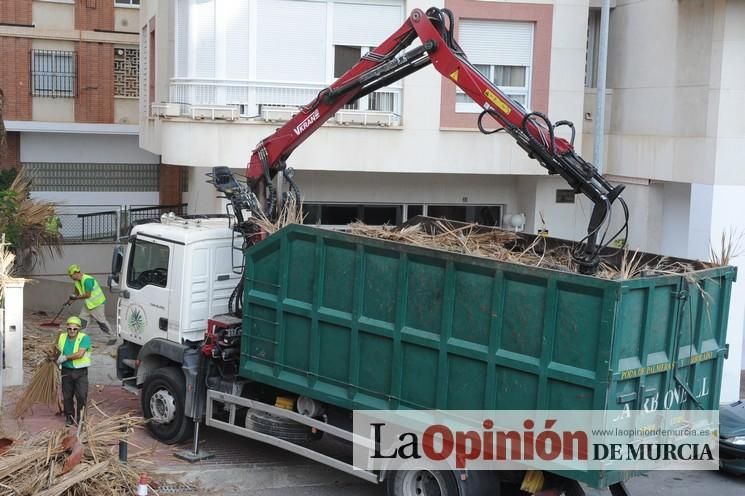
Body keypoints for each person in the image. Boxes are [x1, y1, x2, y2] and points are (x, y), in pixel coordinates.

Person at [67, 264, 116, 346]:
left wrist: (76, 298)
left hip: (97, 304)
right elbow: (76, 293)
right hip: (88, 304)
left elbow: (87, 295)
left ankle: (112, 337)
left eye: (71, 275)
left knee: (101, 322)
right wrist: (69, 301)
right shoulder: (76, 281)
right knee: (82, 320)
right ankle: (80, 338)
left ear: (76, 273)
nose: (71, 277)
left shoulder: (87, 280)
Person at [56, 316, 91, 426]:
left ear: (79, 329)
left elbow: (80, 354)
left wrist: (65, 357)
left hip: (80, 372)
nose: (72, 331)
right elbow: (55, 349)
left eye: (75, 329)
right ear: (67, 328)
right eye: (70, 328)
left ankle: (81, 420)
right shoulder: (62, 337)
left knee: (81, 395)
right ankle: (69, 417)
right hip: (66, 371)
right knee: (67, 396)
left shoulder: (84, 338)